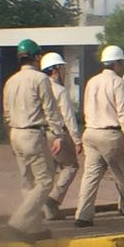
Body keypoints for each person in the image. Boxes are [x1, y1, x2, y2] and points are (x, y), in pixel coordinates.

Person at [74, 45, 124, 226]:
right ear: (117, 63)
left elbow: (86, 108)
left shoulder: (92, 81)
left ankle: (83, 215)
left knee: (90, 176)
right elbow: (123, 112)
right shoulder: (117, 82)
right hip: (110, 134)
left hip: (91, 132)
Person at [2, 39, 67, 243]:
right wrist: (58, 134)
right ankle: (19, 222)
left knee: (27, 180)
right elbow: (50, 109)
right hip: (32, 134)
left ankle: (34, 228)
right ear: (37, 57)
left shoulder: (10, 81)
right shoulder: (40, 79)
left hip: (15, 133)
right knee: (46, 181)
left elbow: (6, 113)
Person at [40, 52, 82, 221]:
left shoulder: (39, 88)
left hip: (41, 133)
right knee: (71, 166)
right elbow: (69, 117)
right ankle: (53, 198)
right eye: (63, 69)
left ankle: (45, 208)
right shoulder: (59, 90)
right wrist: (77, 139)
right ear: (55, 70)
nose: (65, 72)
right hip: (58, 133)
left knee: (47, 172)